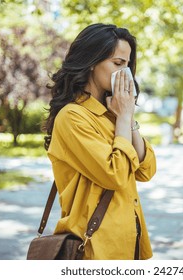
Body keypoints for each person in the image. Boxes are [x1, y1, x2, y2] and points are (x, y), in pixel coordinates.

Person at [44, 23, 157, 260]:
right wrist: (124, 117)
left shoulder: (112, 114)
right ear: (92, 62)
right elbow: (115, 175)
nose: (125, 73)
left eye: (127, 65)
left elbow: (146, 170)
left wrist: (127, 119)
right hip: (95, 247)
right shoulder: (72, 116)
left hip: (130, 239)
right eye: (117, 64)